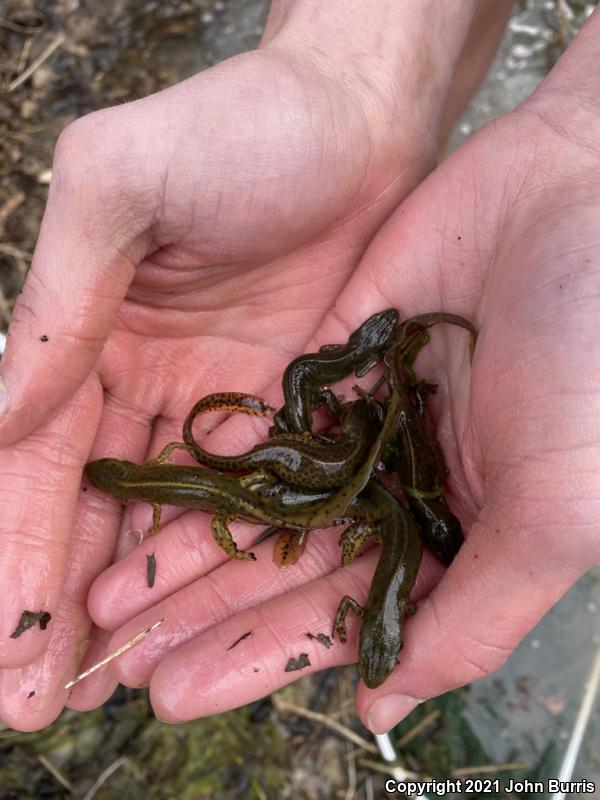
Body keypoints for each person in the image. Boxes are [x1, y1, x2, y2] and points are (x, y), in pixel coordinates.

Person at [0, 0, 599, 735]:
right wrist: (356, 73)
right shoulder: (287, 467)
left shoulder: (310, 457)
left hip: (314, 468)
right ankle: (413, 116)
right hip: (311, 470)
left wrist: (578, 142)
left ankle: (418, 124)